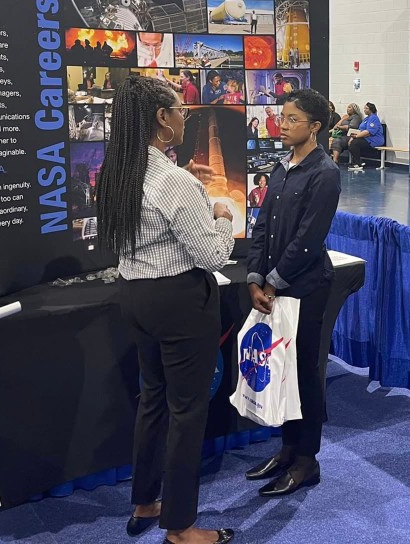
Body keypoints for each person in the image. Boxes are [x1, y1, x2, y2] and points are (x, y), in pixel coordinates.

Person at [95, 76, 235, 544]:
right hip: (178, 302)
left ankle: (146, 501)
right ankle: (181, 526)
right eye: (179, 109)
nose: (183, 116)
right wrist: (222, 216)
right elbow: (213, 256)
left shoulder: (117, 174)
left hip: (135, 297)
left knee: (152, 401)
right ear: (161, 119)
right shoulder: (174, 181)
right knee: (187, 411)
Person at [245, 89, 342, 497]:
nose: (281, 126)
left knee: (304, 373)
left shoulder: (324, 173)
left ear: (314, 127)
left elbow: (307, 239)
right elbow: (262, 224)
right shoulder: (282, 167)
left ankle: (307, 461)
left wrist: (273, 280)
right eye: (281, 118)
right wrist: (253, 275)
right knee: (282, 371)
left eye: (291, 120)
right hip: (272, 286)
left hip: (305, 289)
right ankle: (287, 449)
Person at [348, 102, 385, 170]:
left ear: (371, 109)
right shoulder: (366, 119)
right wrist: (352, 137)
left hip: (374, 140)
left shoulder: (374, 118)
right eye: (364, 108)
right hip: (366, 138)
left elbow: (368, 132)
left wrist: (355, 137)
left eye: (366, 108)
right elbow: (360, 130)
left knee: (354, 143)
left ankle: (357, 164)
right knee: (351, 142)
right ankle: (359, 162)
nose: (364, 110)